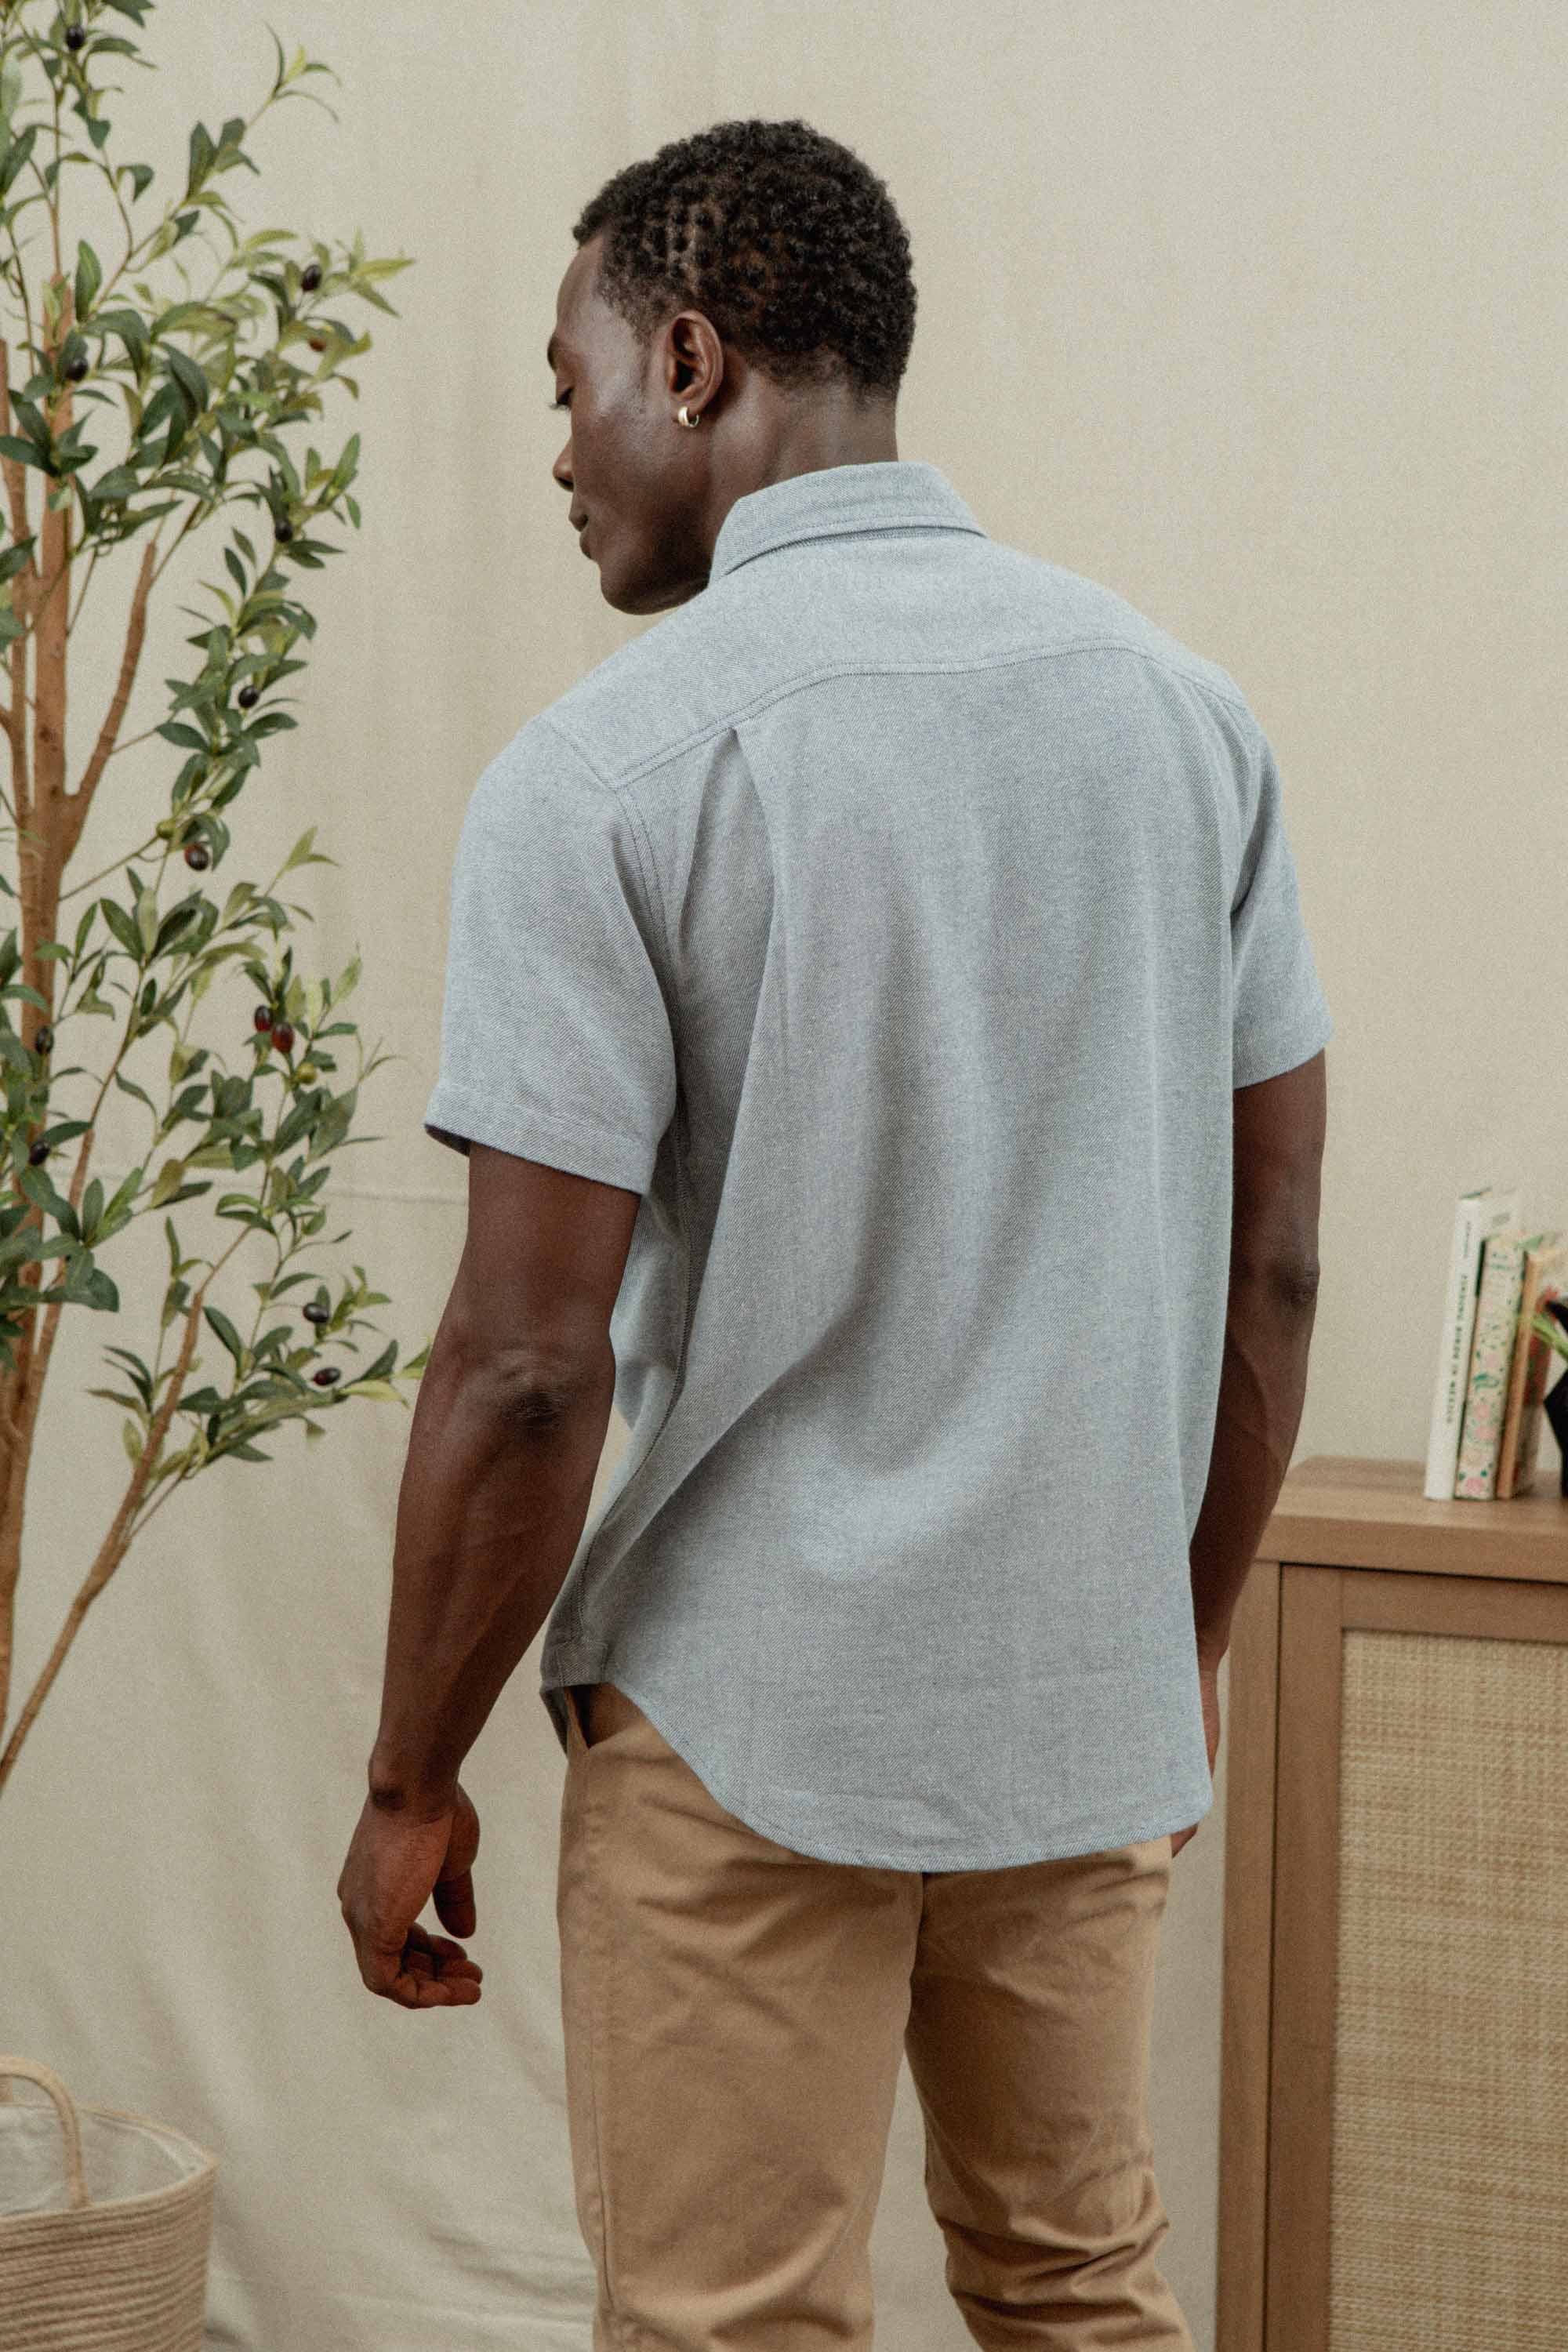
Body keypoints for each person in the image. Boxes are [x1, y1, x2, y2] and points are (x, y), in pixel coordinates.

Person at [416, 114, 1330, 2350]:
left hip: (748, 1713)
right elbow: (1274, 1265)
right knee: (1082, 2291)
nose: (560, 453)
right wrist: (1170, 1642)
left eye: (571, 385)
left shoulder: (608, 774)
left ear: (696, 358)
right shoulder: (1185, 725)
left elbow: (531, 1369)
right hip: (1074, 1695)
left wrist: (395, 1772)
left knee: (733, 2323)